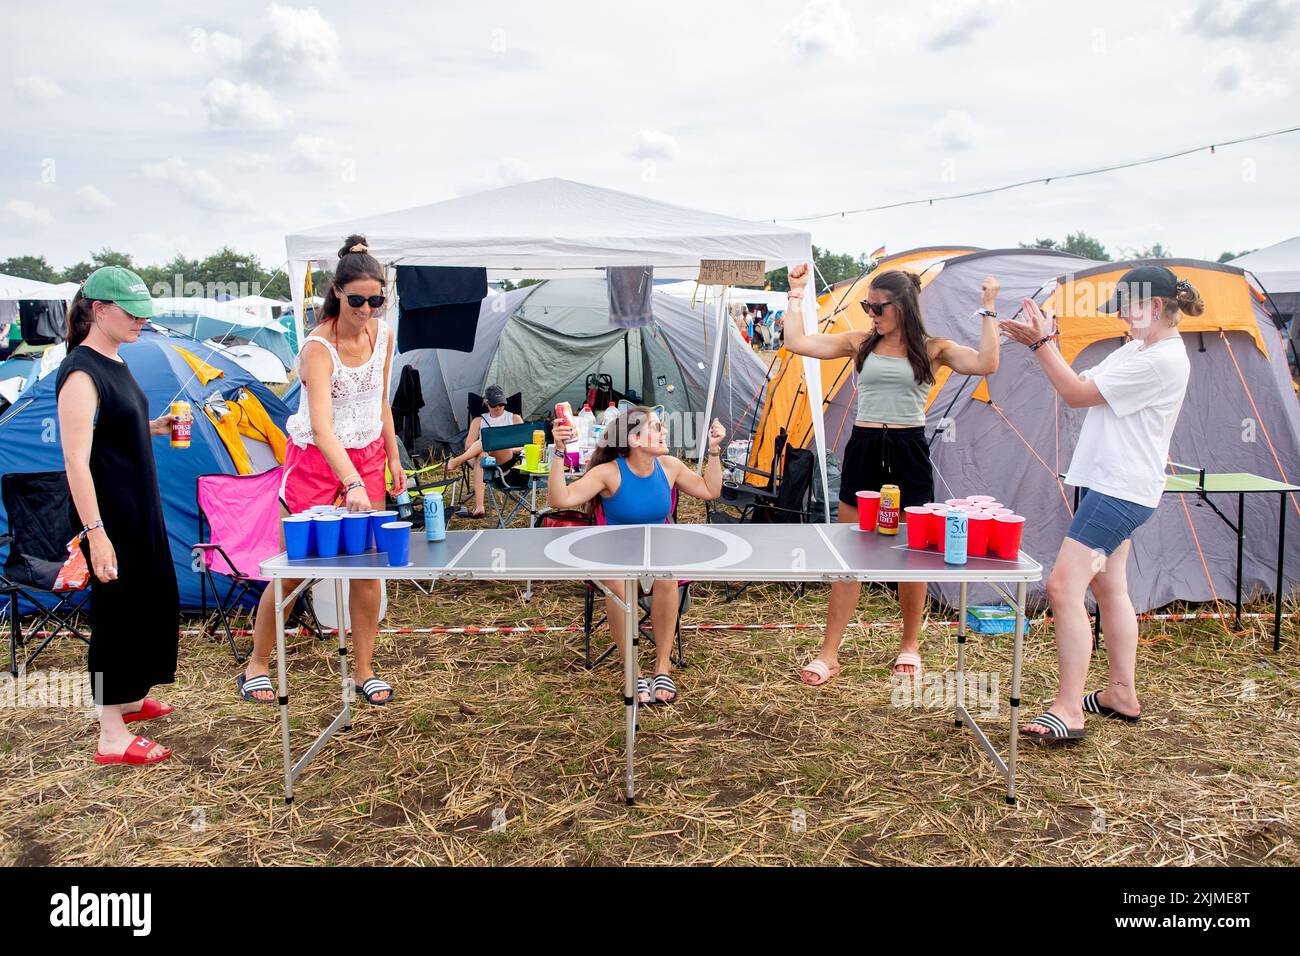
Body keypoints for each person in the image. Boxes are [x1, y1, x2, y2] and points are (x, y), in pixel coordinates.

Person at [1000, 266, 1202, 744]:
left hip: (1120, 493)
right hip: (1109, 486)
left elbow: (1074, 395)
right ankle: (1120, 693)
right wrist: (1049, 340)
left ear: (1154, 307)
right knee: (1110, 589)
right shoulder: (1137, 349)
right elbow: (1078, 381)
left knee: (1064, 586)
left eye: (1127, 310)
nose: (1121, 320)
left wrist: (1037, 345)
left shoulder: (1161, 360)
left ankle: (1069, 709)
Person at [781, 263, 1001, 685]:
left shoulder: (932, 348)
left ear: (902, 306)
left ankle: (910, 645)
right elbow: (796, 342)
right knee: (852, 554)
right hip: (864, 447)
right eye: (867, 304)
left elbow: (986, 363)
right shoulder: (860, 342)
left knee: (911, 557)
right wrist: (795, 293)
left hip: (908, 450)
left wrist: (988, 308)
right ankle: (829, 654)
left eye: (877, 306)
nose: (870, 313)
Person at [237, 235, 406, 707]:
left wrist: (393, 459)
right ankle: (257, 663)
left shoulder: (384, 335)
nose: (368, 309)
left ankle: (364, 670)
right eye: (358, 300)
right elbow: (323, 426)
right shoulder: (317, 348)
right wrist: (349, 480)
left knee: (368, 571)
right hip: (316, 461)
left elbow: (381, 404)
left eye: (377, 300)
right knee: (293, 571)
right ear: (337, 293)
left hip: (369, 456)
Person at [56, 266, 181, 765]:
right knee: (116, 616)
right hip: (107, 519)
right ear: (99, 310)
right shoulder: (81, 371)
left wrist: (152, 427)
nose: (142, 322)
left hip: (137, 510)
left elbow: (111, 428)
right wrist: (96, 534)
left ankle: (127, 699)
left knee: (149, 602)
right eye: (133, 314)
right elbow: (75, 459)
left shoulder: (116, 361)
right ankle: (110, 734)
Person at [547, 407, 726, 704]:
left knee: (666, 578)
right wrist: (558, 452)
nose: (664, 432)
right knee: (620, 584)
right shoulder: (609, 472)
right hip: (612, 555)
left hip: (658, 553)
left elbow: (710, 490)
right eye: (657, 427)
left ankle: (662, 666)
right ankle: (632, 669)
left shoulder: (669, 466)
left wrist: (715, 451)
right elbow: (559, 499)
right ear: (634, 439)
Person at [447, 384, 525, 518]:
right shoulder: (479, 420)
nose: (498, 408)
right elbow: (469, 445)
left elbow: (525, 444)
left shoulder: (514, 418)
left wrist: (507, 446)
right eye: (494, 405)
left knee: (490, 441)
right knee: (482, 455)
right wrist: (485, 446)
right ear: (486, 403)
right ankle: (480, 507)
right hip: (479, 455)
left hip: (504, 455)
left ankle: (458, 461)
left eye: (501, 404)